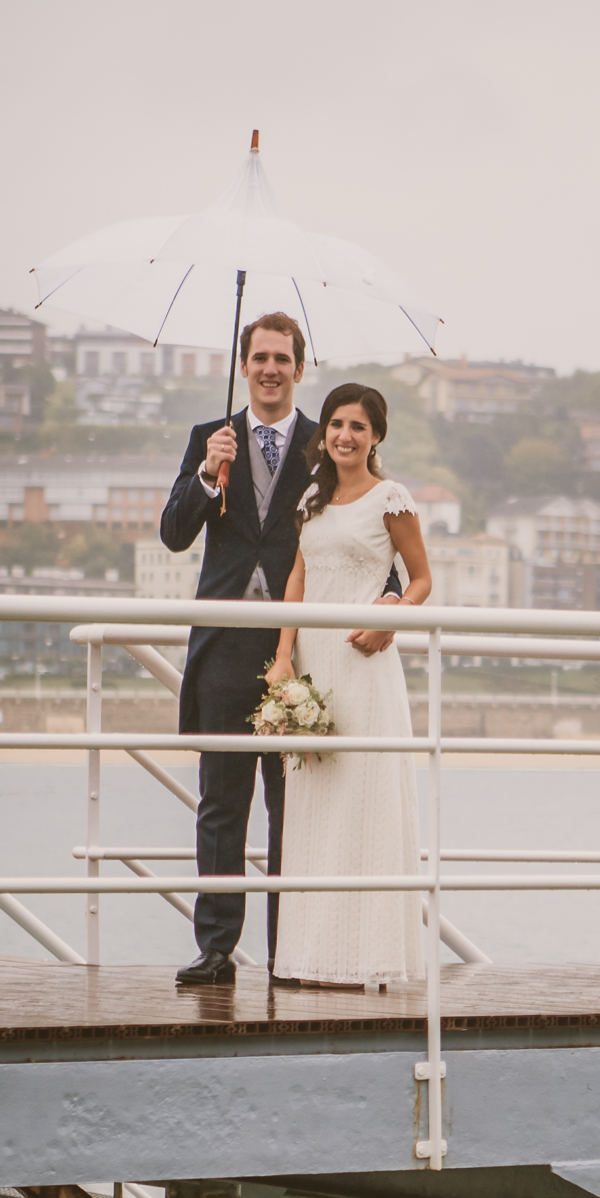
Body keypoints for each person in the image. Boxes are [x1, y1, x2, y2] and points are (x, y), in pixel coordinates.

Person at [160, 312, 409, 988]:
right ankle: (215, 948)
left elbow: (357, 530)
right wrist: (208, 476)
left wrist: (389, 600)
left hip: (299, 654)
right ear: (244, 364)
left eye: (282, 358)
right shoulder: (207, 439)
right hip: (223, 648)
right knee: (220, 803)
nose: (270, 368)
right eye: (259, 356)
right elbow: (173, 533)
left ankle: (284, 953)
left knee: (293, 807)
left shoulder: (320, 443)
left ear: (300, 368)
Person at [265, 382, 432, 988]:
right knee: (313, 810)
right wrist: (283, 657)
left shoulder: (391, 497)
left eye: (358, 426)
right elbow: (296, 578)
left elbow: (420, 579)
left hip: (363, 666)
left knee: (366, 806)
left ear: (376, 436)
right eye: (336, 423)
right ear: (324, 431)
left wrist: (390, 615)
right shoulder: (313, 496)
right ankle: (309, 960)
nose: (344, 435)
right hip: (313, 667)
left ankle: (370, 960)